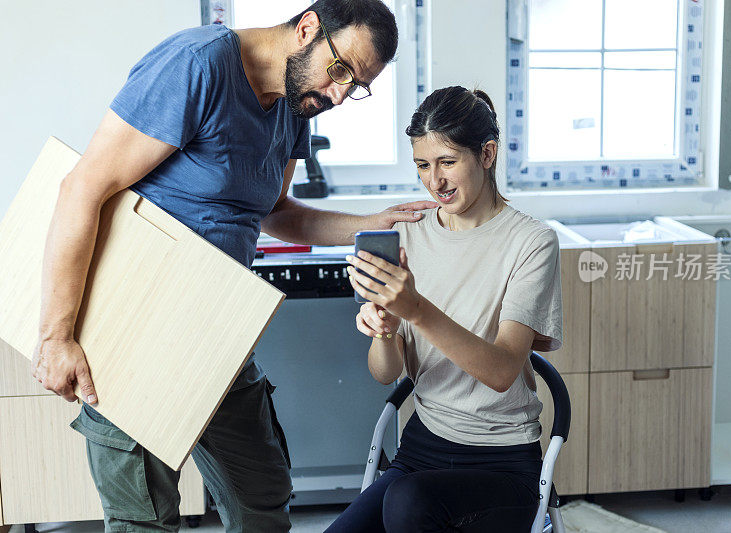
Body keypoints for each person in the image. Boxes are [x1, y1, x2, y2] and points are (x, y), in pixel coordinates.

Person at [31, 1, 436, 531]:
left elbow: (274, 212)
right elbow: (83, 187)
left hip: (216, 333)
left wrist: (374, 221)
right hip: (133, 330)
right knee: (145, 518)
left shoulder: (297, 105)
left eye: (355, 86)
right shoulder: (197, 65)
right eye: (340, 69)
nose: (338, 94)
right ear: (307, 28)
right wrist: (56, 335)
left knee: (262, 501)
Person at [327, 85, 563, 532]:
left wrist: (415, 309)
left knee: (409, 503)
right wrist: (386, 328)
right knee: (398, 502)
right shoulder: (409, 236)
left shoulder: (531, 242)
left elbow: (501, 372)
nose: (434, 181)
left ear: (487, 154)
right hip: (423, 447)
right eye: (422, 165)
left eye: (447, 162)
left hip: (502, 461)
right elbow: (384, 373)